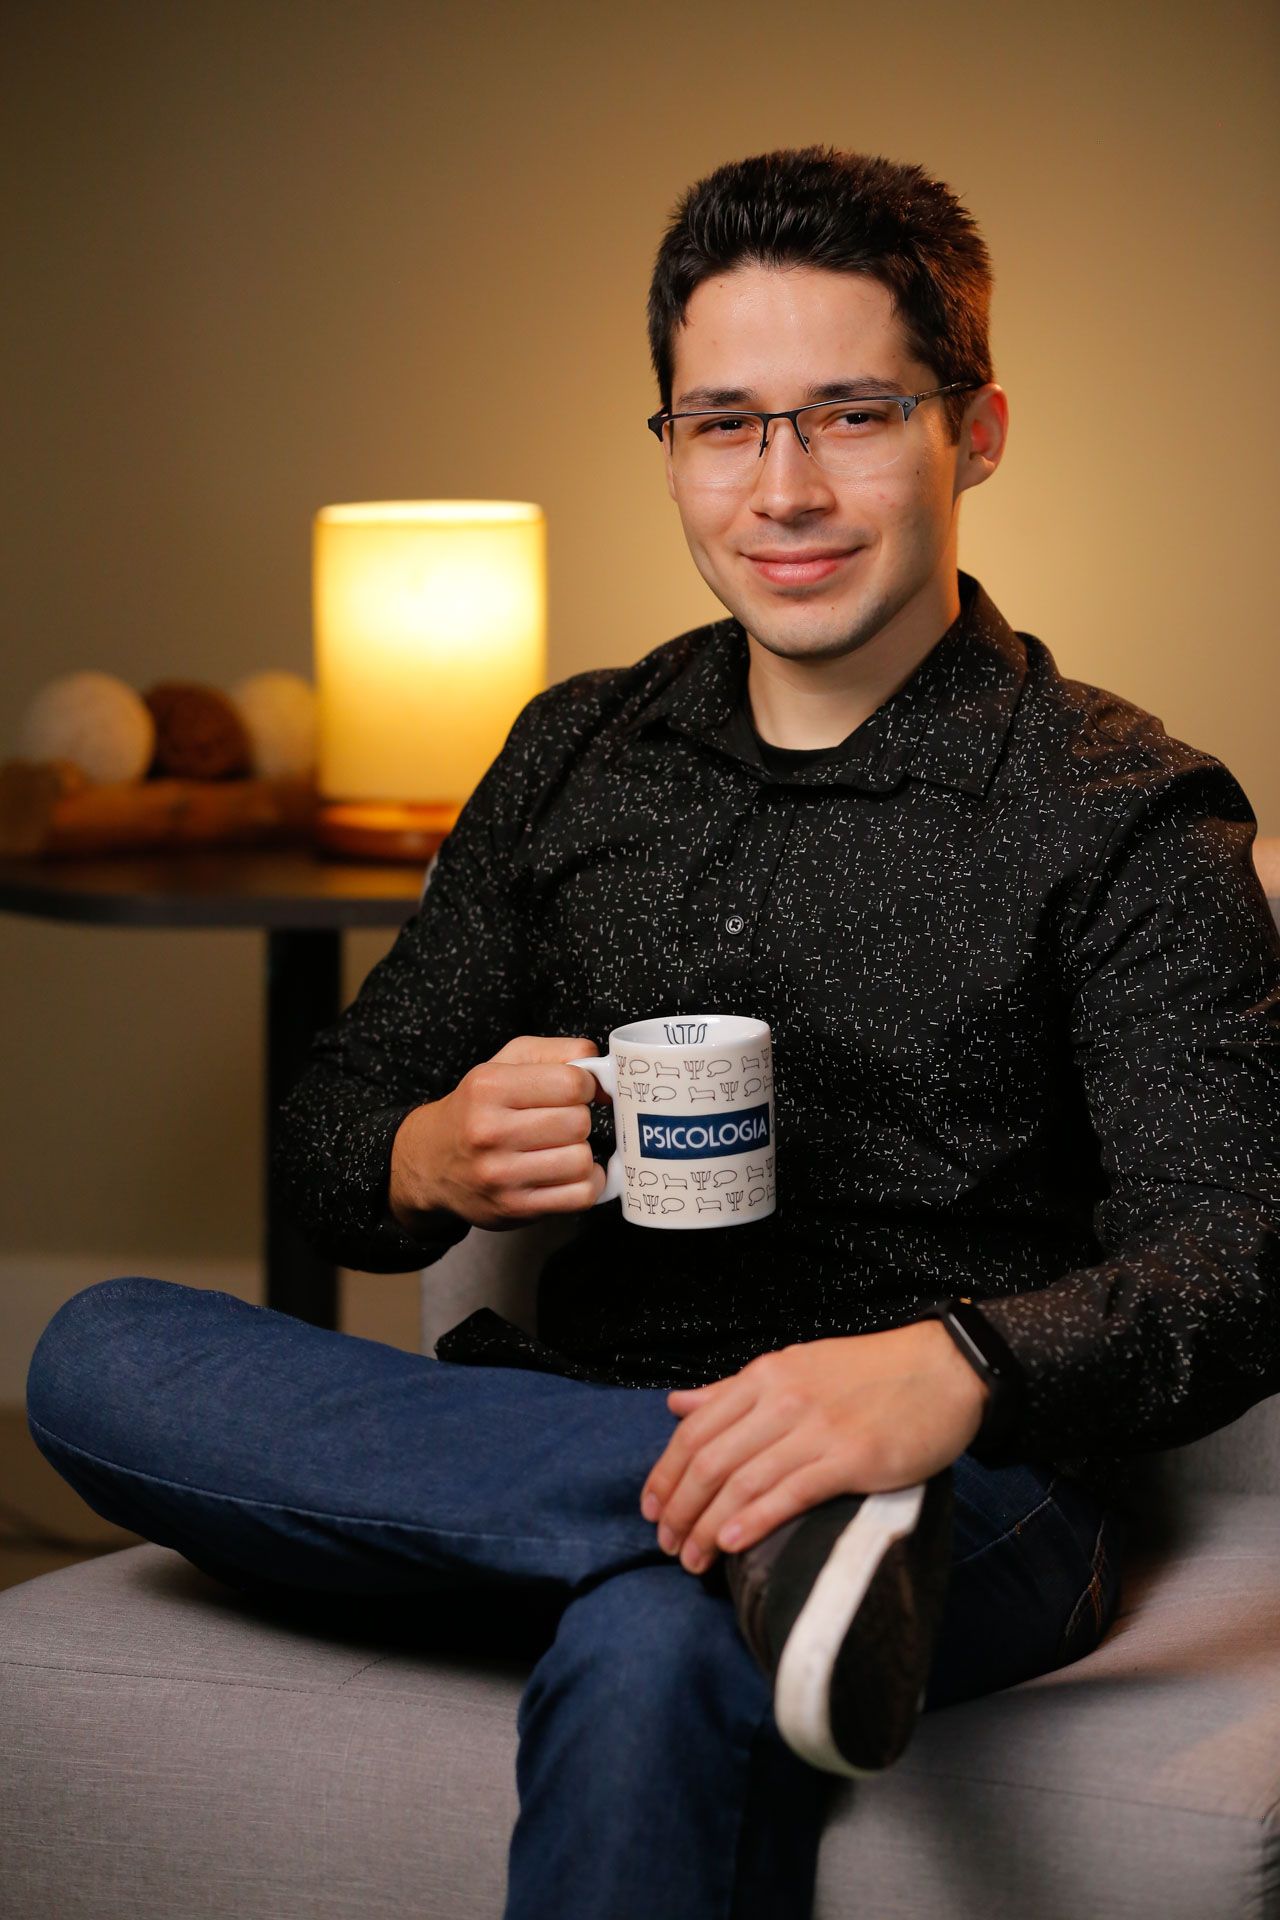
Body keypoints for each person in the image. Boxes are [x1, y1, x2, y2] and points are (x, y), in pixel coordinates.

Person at [26, 146, 1280, 1920]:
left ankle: (819, 1524)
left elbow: (1241, 1251)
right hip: (569, 1419)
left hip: (966, 1490)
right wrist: (428, 1153)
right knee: (99, 1354)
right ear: (672, 445)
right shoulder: (574, 753)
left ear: (976, 432)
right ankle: (770, 1535)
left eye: (853, 414)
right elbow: (331, 1140)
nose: (785, 488)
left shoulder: (1126, 809)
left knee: (647, 1640)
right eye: (724, 425)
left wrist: (953, 1372)